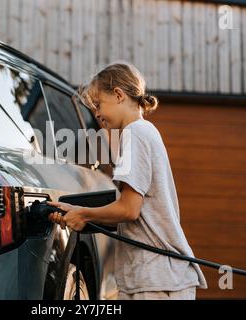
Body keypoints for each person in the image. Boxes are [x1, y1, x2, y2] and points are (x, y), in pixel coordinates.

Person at [48, 61, 207, 300]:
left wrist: (83, 215)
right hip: (156, 278)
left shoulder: (135, 134)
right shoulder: (145, 132)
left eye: (98, 105)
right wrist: (79, 210)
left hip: (156, 282)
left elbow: (129, 209)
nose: (97, 114)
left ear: (119, 95)